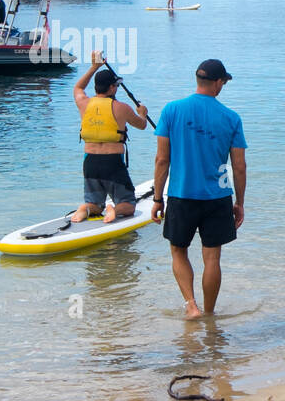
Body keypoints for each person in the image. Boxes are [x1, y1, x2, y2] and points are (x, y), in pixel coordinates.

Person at [152, 59, 247, 319]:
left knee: (178, 250)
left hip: (182, 195)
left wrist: (158, 199)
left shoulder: (171, 110)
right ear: (218, 82)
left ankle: (191, 305)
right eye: (223, 83)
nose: (223, 87)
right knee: (212, 258)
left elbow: (162, 159)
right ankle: (209, 313)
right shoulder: (231, 117)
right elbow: (239, 166)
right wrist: (239, 202)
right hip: (217, 197)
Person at [71, 51, 149, 223]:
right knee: (128, 205)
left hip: (90, 162)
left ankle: (86, 208)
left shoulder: (83, 103)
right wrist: (142, 113)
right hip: (112, 163)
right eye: (116, 86)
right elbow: (142, 125)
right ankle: (113, 208)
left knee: (94, 203)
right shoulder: (122, 107)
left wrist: (94, 67)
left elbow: (78, 88)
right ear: (112, 88)